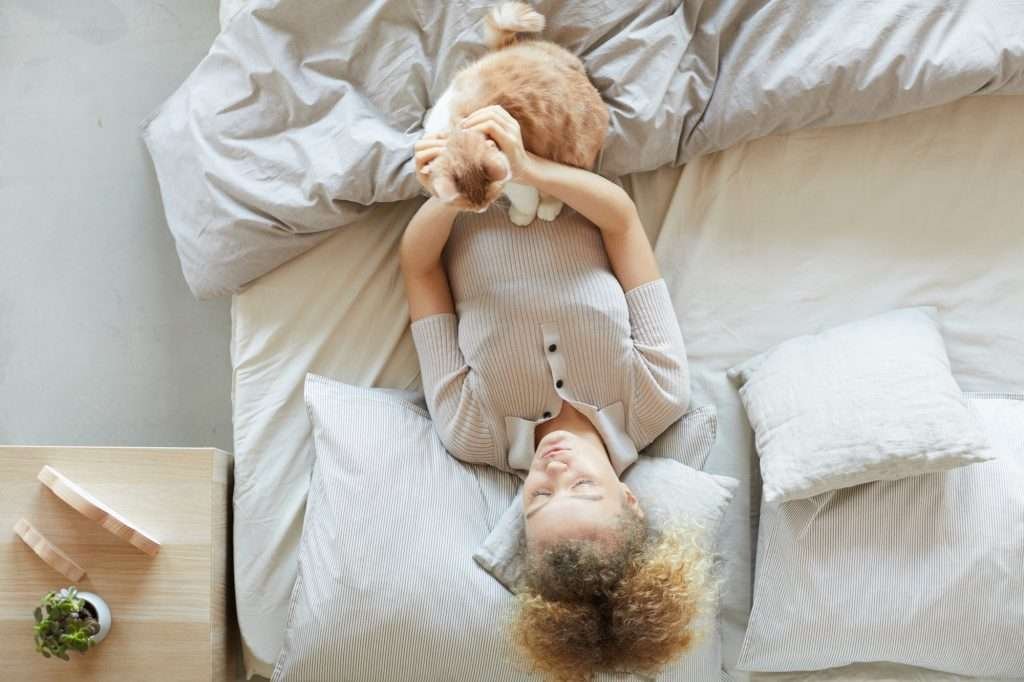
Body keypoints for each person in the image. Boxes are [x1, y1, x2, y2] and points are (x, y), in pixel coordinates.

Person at [401, 105, 708, 680]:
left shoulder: (472, 432)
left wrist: (450, 192)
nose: (554, 470)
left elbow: (419, 271)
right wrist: (528, 168)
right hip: (554, 145)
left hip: (456, 163)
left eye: (539, 499)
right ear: (630, 501)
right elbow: (620, 222)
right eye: (583, 488)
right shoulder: (659, 395)